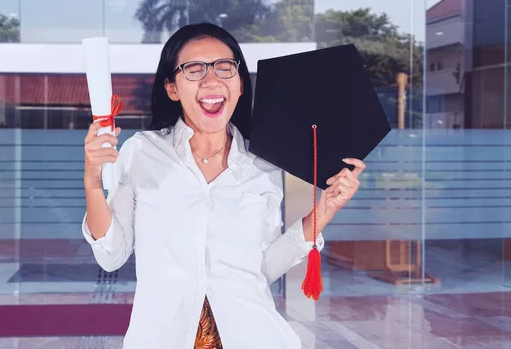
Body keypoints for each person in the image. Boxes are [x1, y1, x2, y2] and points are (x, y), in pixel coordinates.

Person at [82, 23, 365, 348]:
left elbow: (262, 269)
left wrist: (325, 209)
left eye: (224, 67)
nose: (212, 79)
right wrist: (92, 182)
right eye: (194, 69)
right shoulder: (142, 153)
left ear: (241, 84)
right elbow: (112, 256)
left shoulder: (263, 166)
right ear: (172, 88)